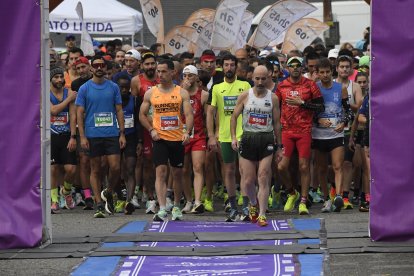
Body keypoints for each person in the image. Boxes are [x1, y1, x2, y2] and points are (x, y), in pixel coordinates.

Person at [139, 59, 194, 221]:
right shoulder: (151, 93)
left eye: (163, 71)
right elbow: (142, 114)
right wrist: (151, 130)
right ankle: (162, 208)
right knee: (161, 173)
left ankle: (176, 206)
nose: (160, 74)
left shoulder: (181, 92)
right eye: (158, 71)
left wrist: (187, 132)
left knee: (177, 174)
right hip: (160, 138)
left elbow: (189, 114)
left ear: (172, 73)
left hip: (177, 139)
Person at [230, 65, 282, 226]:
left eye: (263, 78)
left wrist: (279, 146)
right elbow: (233, 117)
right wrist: (233, 138)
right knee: (247, 181)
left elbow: (277, 123)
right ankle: (253, 203)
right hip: (248, 138)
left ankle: (262, 214)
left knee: (264, 176)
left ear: (268, 78)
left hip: (266, 139)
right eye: (257, 78)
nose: (260, 82)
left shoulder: (273, 98)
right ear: (252, 78)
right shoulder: (245, 95)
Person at [75, 55, 126, 218]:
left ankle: (109, 191)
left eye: (101, 65)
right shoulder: (84, 88)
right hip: (92, 134)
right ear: (91, 68)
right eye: (95, 65)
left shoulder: (113, 87)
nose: (98, 68)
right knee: (95, 169)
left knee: (116, 167)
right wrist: (82, 137)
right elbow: (79, 114)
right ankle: (98, 203)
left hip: (111, 133)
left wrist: (122, 133)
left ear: (105, 68)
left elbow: (119, 110)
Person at [276, 56, 324, 215]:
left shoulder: (310, 84)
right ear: (287, 68)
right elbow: (275, 107)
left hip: (304, 131)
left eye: (298, 65)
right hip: (286, 131)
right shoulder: (281, 85)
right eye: (292, 65)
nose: (295, 68)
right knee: (282, 166)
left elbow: (320, 107)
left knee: (304, 166)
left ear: (302, 68)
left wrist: (302, 103)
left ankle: (303, 201)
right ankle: (291, 193)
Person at [207, 54, 251, 222]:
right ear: (222, 67)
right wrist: (211, 136)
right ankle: (232, 207)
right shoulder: (217, 88)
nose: (229, 68)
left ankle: (246, 207)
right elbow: (210, 113)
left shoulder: (245, 85)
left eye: (232, 65)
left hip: (245, 135)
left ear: (236, 67)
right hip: (225, 136)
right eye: (226, 65)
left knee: (245, 171)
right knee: (229, 171)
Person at [312, 58, 352, 212]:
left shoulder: (340, 88)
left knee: (337, 166)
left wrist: (344, 122)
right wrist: (318, 119)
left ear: (332, 71)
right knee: (321, 169)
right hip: (319, 135)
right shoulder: (314, 88)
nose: (325, 75)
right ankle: (327, 198)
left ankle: (339, 196)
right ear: (317, 73)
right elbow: (309, 111)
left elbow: (348, 111)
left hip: (336, 133)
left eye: (328, 71)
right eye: (322, 72)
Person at [130, 51, 159, 213]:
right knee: (146, 163)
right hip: (145, 128)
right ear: (142, 65)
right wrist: (139, 137)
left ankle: (162, 195)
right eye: (147, 64)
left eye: (152, 64)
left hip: (162, 127)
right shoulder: (136, 81)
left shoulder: (161, 80)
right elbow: (134, 110)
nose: (150, 67)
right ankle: (149, 197)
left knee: (161, 163)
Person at [180, 65, 210, 214]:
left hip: (198, 135)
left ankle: (198, 201)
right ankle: (188, 200)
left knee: (198, 167)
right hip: (181, 134)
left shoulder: (203, 94)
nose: (187, 79)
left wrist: (210, 134)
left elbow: (207, 117)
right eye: (184, 76)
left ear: (197, 77)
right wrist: (182, 90)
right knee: (184, 169)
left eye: (190, 76)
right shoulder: (178, 92)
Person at [334, 54, 363, 210]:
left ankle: (345, 196)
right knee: (333, 165)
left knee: (347, 163)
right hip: (332, 129)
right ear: (337, 68)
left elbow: (359, 107)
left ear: (351, 68)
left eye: (347, 67)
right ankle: (334, 191)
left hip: (349, 129)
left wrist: (345, 101)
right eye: (342, 66)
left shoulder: (355, 86)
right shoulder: (331, 84)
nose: (344, 69)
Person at [49, 67, 78, 213]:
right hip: (51, 136)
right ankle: (54, 201)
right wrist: (69, 99)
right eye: (56, 77)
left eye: (61, 77)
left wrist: (73, 136)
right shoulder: (45, 94)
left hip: (67, 135)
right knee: (53, 169)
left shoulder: (69, 93)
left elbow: (73, 116)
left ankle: (66, 192)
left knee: (71, 169)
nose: (59, 80)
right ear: (50, 79)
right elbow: (53, 111)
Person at [71, 56, 94, 210]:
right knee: (84, 161)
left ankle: (104, 192)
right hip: (82, 127)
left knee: (102, 163)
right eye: (78, 68)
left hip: (100, 126)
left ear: (89, 66)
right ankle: (88, 196)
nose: (81, 71)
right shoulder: (75, 84)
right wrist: (74, 134)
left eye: (83, 67)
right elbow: (73, 111)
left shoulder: (99, 80)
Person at [116, 75, 139, 215]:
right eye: (121, 87)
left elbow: (138, 121)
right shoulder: (112, 101)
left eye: (126, 87)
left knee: (130, 169)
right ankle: (119, 198)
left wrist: (140, 141)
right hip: (114, 138)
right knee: (116, 170)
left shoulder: (135, 100)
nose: (124, 90)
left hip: (131, 138)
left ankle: (129, 201)